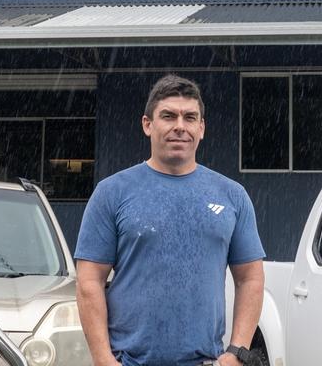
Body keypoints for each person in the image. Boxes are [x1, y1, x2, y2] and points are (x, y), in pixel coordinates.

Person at [75, 74, 265, 366]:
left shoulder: (232, 196)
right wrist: (103, 359)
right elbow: (90, 281)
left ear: (201, 128)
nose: (180, 126)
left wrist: (237, 351)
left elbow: (250, 278)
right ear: (147, 124)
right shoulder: (112, 193)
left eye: (190, 117)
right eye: (168, 116)